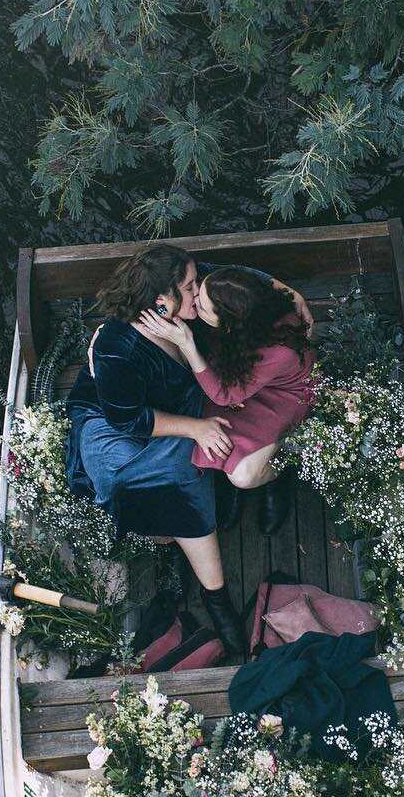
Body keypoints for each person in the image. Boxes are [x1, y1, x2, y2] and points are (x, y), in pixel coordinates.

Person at [65, 244, 312, 655]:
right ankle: (216, 598)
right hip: (126, 432)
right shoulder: (117, 350)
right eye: (191, 285)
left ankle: (243, 487)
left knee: (218, 445)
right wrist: (196, 428)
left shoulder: (185, 298)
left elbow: (235, 274)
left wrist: (287, 291)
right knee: (173, 483)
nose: (199, 290)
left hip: (184, 405)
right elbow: (129, 420)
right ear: (162, 300)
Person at [132, 265, 315, 535]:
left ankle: (276, 473)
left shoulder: (277, 351)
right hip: (239, 378)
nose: (194, 301)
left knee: (242, 475)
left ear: (230, 323)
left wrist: (186, 344)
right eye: (199, 289)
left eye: (202, 307)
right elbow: (201, 267)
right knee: (209, 430)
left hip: (280, 397)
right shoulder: (238, 306)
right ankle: (225, 475)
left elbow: (225, 394)